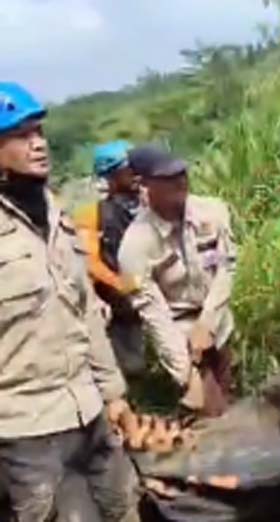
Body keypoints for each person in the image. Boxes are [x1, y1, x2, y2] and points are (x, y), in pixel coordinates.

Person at [0, 82, 139, 521]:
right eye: (21, 135)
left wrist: (114, 393)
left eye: (39, 131)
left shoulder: (55, 213)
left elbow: (84, 314)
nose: (38, 144)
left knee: (123, 508)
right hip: (26, 429)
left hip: (90, 409)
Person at [119, 145, 237, 418]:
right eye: (168, 178)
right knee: (209, 409)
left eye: (182, 173)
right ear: (144, 185)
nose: (180, 181)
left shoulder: (213, 212)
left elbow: (226, 268)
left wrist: (207, 324)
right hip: (179, 333)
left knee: (228, 402)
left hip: (217, 321)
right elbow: (153, 314)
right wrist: (186, 373)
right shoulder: (135, 245)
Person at [74, 140, 146, 378]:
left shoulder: (153, 202)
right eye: (129, 168)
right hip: (121, 302)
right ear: (112, 175)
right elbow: (90, 262)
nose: (137, 173)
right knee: (132, 367)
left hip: (161, 292)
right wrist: (122, 286)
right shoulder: (91, 215)